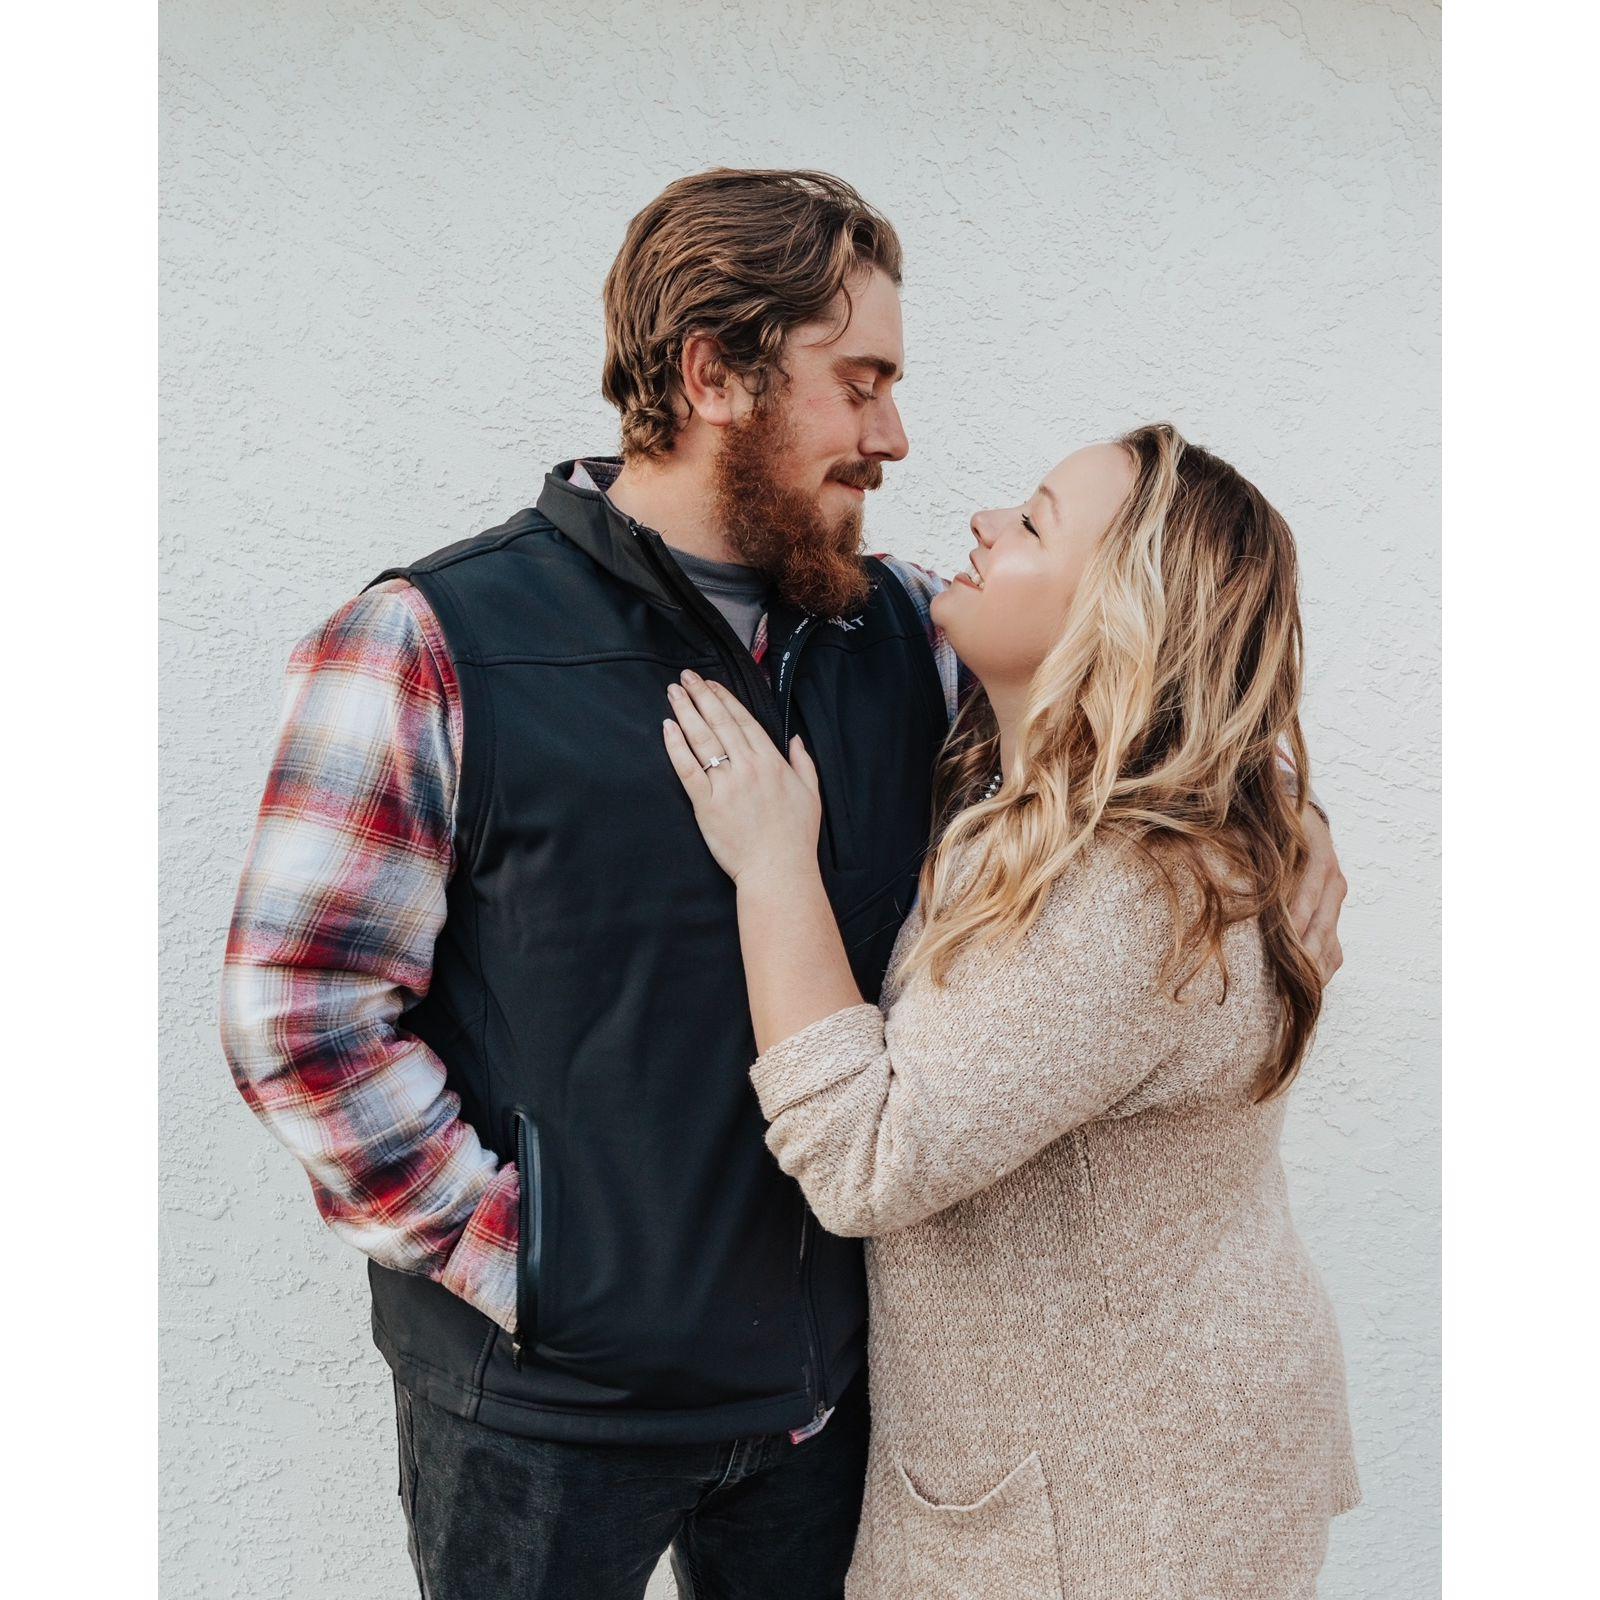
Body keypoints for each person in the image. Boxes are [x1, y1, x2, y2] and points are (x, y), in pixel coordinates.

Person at [220, 168, 1349, 1600]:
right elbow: (299, 1013)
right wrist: (527, 1263)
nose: (896, 435)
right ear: (715, 374)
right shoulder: (430, 641)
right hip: (546, 1421)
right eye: (860, 381)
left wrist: (1282, 820)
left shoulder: (908, 640)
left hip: (824, 1420)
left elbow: (1138, 709)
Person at [661, 423, 1360, 1598]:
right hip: (1156, 1457)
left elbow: (864, 1158)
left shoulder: (1122, 887)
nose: (983, 523)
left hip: (1112, 1517)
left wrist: (773, 860)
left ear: (1121, 621)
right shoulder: (1062, 791)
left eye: (1032, 522)